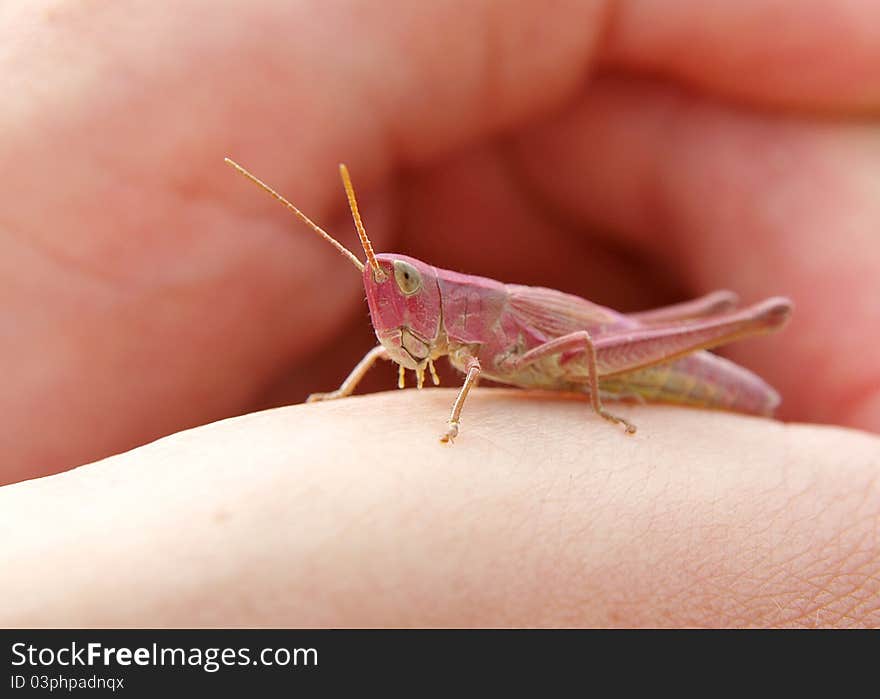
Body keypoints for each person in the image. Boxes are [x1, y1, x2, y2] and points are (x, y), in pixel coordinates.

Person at [0, 1, 877, 627]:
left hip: (607, 350)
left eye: (405, 289)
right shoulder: (426, 329)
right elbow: (397, 354)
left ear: (435, 291)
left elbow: (574, 344)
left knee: (655, 331)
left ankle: (727, 336)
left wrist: (602, 401)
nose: (393, 308)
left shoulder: (487, 323)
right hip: (583, 347)